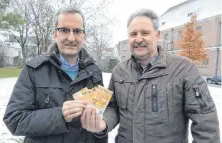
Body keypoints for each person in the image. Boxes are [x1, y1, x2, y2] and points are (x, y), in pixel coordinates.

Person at [81, 8, 220, 143]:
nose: (138, 39)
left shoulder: (184, 69)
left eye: (145, 33)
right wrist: (103, 123)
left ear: (157, 34)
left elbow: (205, 120)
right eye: (133, 34)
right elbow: (113, 108)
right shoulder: (119, 71)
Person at [3, 5, 107, 143]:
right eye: (64, 30)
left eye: (77, 31)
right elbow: (14, 119)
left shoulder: (94, 72)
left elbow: (98, 122)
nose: (71, 38)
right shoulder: (33, 70)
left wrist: (100, 130)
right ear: (55, 35)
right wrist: (60, 115)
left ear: (84, 36)